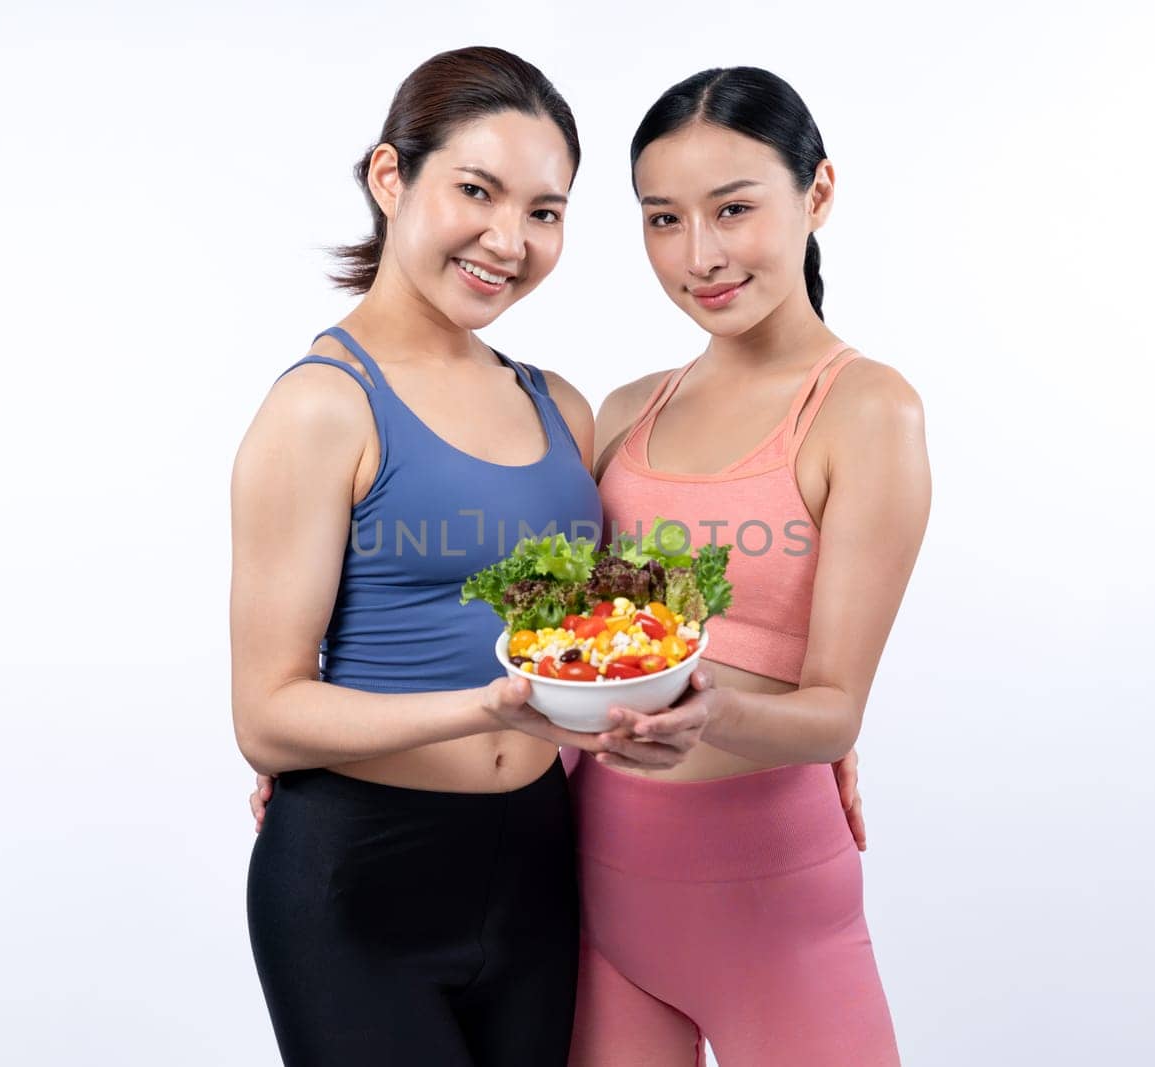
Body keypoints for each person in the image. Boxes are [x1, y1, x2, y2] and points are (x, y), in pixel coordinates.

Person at [232, 46, 632, 1066]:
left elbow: (617, 636)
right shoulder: (324, 406)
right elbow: (268, 714)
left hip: (540, 864)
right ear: (388, 177)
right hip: (359, 878)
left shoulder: (562, 408)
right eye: (476, 190)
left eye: (544, 211)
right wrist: (484, 706)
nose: (510, 238)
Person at [564, 67, 930, 1066]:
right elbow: (573, 657)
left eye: (734, 209)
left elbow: (833, 711)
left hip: (775, 914)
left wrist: (711, 709)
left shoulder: (863, 411)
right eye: (662, 219)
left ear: (815, 192)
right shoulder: (624, 411)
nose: (700, 254)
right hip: (600, 907)